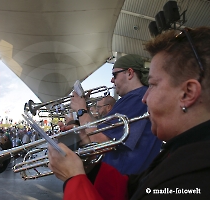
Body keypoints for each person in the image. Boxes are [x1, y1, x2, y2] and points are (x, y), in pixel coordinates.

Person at [48, 26, 210, 199]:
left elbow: (100, 139)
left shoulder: (196, 176)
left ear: (188, 93)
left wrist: (74, 179)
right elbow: (135, 188)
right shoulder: (179, 155)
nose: (145, 99)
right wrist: (91, 168)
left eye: (153, 85)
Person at [70, 54, 162, 175]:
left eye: (114, 75)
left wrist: (81, 110)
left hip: (123, 179)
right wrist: (85, 108)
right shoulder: (133, 98)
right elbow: (100, 130)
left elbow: (98, 141)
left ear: (129, 73)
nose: (112, 80)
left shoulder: (137, 99)